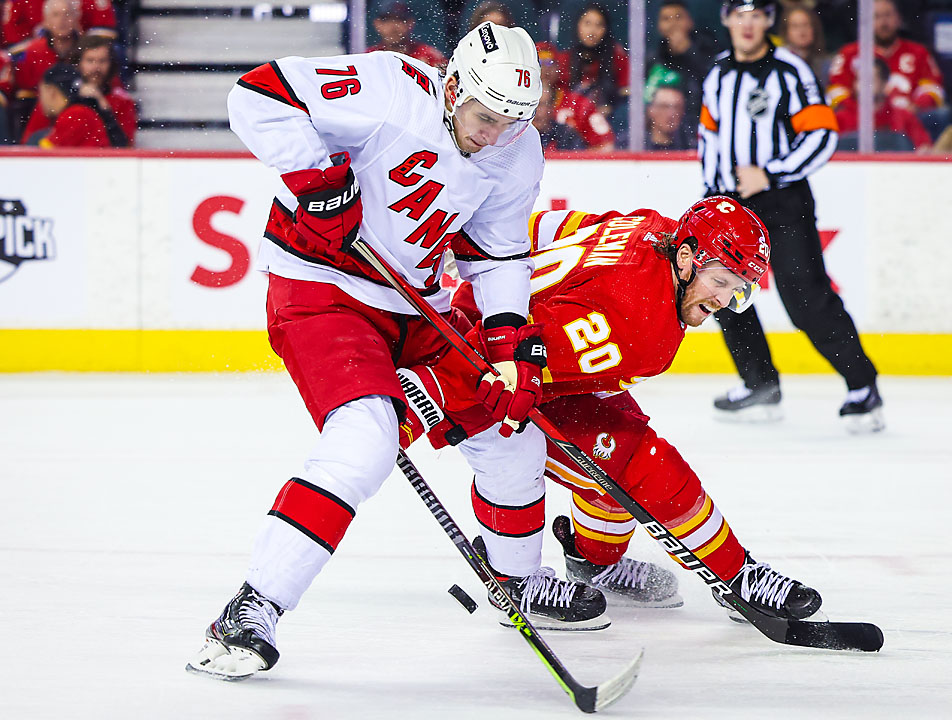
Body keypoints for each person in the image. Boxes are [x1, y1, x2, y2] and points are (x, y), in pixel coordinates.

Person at [187, 21, 607, 682]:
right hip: (322, 289)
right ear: (454, 83)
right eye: (485, 116)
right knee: (365, 440)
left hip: (417, 305)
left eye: (511, 122)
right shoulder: (388, 86)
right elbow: (258, 94)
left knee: (511, 431)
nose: (494, 134)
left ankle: (517, 581)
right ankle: (252, 607)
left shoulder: (516, 148)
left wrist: (511, 347)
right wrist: (320, 182)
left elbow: (495, 253)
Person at [396, 197, 824, 621]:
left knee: (623, 442)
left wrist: (482, 252)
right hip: (483, 356)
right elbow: (501, 365)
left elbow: (552, 227)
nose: (724, 301)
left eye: (738, 289)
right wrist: (408, 408)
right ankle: (736, 576)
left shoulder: (653, 227)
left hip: (502, 328)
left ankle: (595, 563)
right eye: (721, 281)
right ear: (689, 258)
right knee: (636, 461)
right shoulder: (639, 325)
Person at [700, 0, 884, 432]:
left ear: (767, 21)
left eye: (756, 16)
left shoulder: (790, 69)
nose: (747, 25)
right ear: (727, 20)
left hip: (782, 201)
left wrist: (771, 172)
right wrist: (710, 198)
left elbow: (822, 134)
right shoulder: (717, 73)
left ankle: (862, 386)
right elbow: (710, 140)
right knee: (722, 291)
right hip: (731, 203)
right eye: (739, 15)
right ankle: (760, 384)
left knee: (806, 298)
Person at [827, 0, 945, 113]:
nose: (883, 22)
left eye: (888, 15)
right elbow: (836, 91)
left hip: (909, 121)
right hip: (860, 123)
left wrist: (916, 107)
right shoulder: (849, 53)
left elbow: (933, 88)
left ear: (898, 19)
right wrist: (857, 111)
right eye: (876, 17)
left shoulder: (919, 52)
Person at [20, 34, 134, 144]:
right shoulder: (56, 97)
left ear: (111, 64)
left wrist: (104, 109)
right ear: (78, 63)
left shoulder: (122, 101)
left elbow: (125, 147)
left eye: (102, 61)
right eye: (90, 60)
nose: (96, 67)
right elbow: (31, 141)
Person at [647, 0, 719, 128]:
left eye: (678, 17)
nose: (673, 24)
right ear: (659, 26)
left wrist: (688, 51)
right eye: (666, 19)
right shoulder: (653, 59)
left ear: (690, 21)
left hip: (700, 124)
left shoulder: (709, 50)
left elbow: (712, 83)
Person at [835, 56, 932, 150]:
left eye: (870, 80)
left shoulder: (904, 117)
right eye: (859, 79)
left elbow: (924, 149)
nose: (863, 85)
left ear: (884, 84)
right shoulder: (840, 119)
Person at [23, 62, 121, 146]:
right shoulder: (80, 112)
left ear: (51, 91)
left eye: (41, 93)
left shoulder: (75, 114)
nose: (41, 100)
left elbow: (42, 156)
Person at [538, 42, 615, 150]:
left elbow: (606, 145)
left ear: (559, 67)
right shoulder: (515, 104)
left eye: (550, 63)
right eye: (539, 63)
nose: (545, 69)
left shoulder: (579, 104)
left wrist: (576, 161)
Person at [563, 3, 629, 118]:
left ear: (606, 29)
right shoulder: (566, 59)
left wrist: (611, 107)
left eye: (599, 25)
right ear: (578, 25)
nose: (592, 31)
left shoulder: (618, 58)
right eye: (587, 23)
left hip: (609, 120)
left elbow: (627, 93)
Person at [11, 0, 80, 100]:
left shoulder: (86, 50)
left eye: (67, 14)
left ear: (75, 19)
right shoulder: (32, 52)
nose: (62, 20)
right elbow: (24, 94)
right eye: (56, 15)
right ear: (46, 22)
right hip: (41, 109)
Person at [1, 0, 115, 48]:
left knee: (110, 52)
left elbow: (105, 30)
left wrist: (83, 45)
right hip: (38, 52)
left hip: (81, 50)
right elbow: (12, 40)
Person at [368, 1, 446, 69]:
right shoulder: (369, 57)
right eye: (387, 20)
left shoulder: (429, 56)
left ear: (410, 23)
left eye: (399, 20)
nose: (393, 27)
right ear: (377, 24)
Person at [618, 83, 696, 150]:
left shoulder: (690, 146)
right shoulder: (631, 145)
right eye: (664, 106)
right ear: (651, 110)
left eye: (677, 107)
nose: (671, 113)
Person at [779, 5, 830, 86]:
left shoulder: (826, 65)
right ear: (786, 31)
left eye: (805, 25)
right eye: (795, 26)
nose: (801, 31)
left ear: (814, 29)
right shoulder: (779, 61)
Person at [533, 82, 587, 151]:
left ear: (551, 107)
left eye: (541, 105)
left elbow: (578, 159)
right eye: (532, 105)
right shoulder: (518, 134)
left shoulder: (566, 135)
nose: (535, 110)